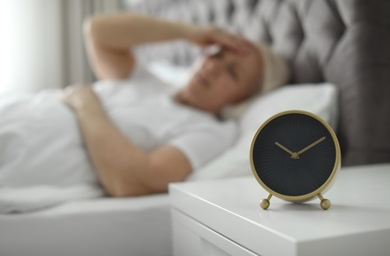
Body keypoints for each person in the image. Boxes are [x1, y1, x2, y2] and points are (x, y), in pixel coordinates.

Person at [0, 13, 289, 197]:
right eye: (216, 53)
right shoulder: (151, 82)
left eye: (232, 72)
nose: (212, 66)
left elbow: (135, 182)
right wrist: (188, 30)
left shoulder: (211, 133)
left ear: (244, 99)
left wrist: (85, 103)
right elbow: (97, 30)